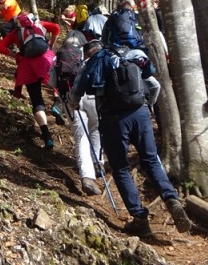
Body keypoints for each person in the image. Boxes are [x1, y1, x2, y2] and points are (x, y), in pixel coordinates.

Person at [68, 43, 191, 237]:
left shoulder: (97, 59)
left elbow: (78, 90)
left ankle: (140, 218)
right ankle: (171, 199)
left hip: (114, 118)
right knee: (150, 160)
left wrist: (73, 103)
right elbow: (155, 85)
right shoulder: (134, 54)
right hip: (140, 113)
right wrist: (147, 105)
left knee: (120, 167)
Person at [0, 13, 60, 150]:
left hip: (27, 65)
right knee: (57, 83)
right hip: (46, 59)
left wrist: (14, 54)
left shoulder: (15, 32)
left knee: (36, 100)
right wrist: (51, 44)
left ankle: (47, 135)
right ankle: (57, 103)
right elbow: (56, 28)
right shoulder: (40, 24)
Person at [49, 33, 103, 196]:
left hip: (70, 100)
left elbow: (51, 82)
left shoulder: (58, 57)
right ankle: (98, 163)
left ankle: (87, 177)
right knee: (96, 129)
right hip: (92, 97)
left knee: (81, 137)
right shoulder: (89, 54)